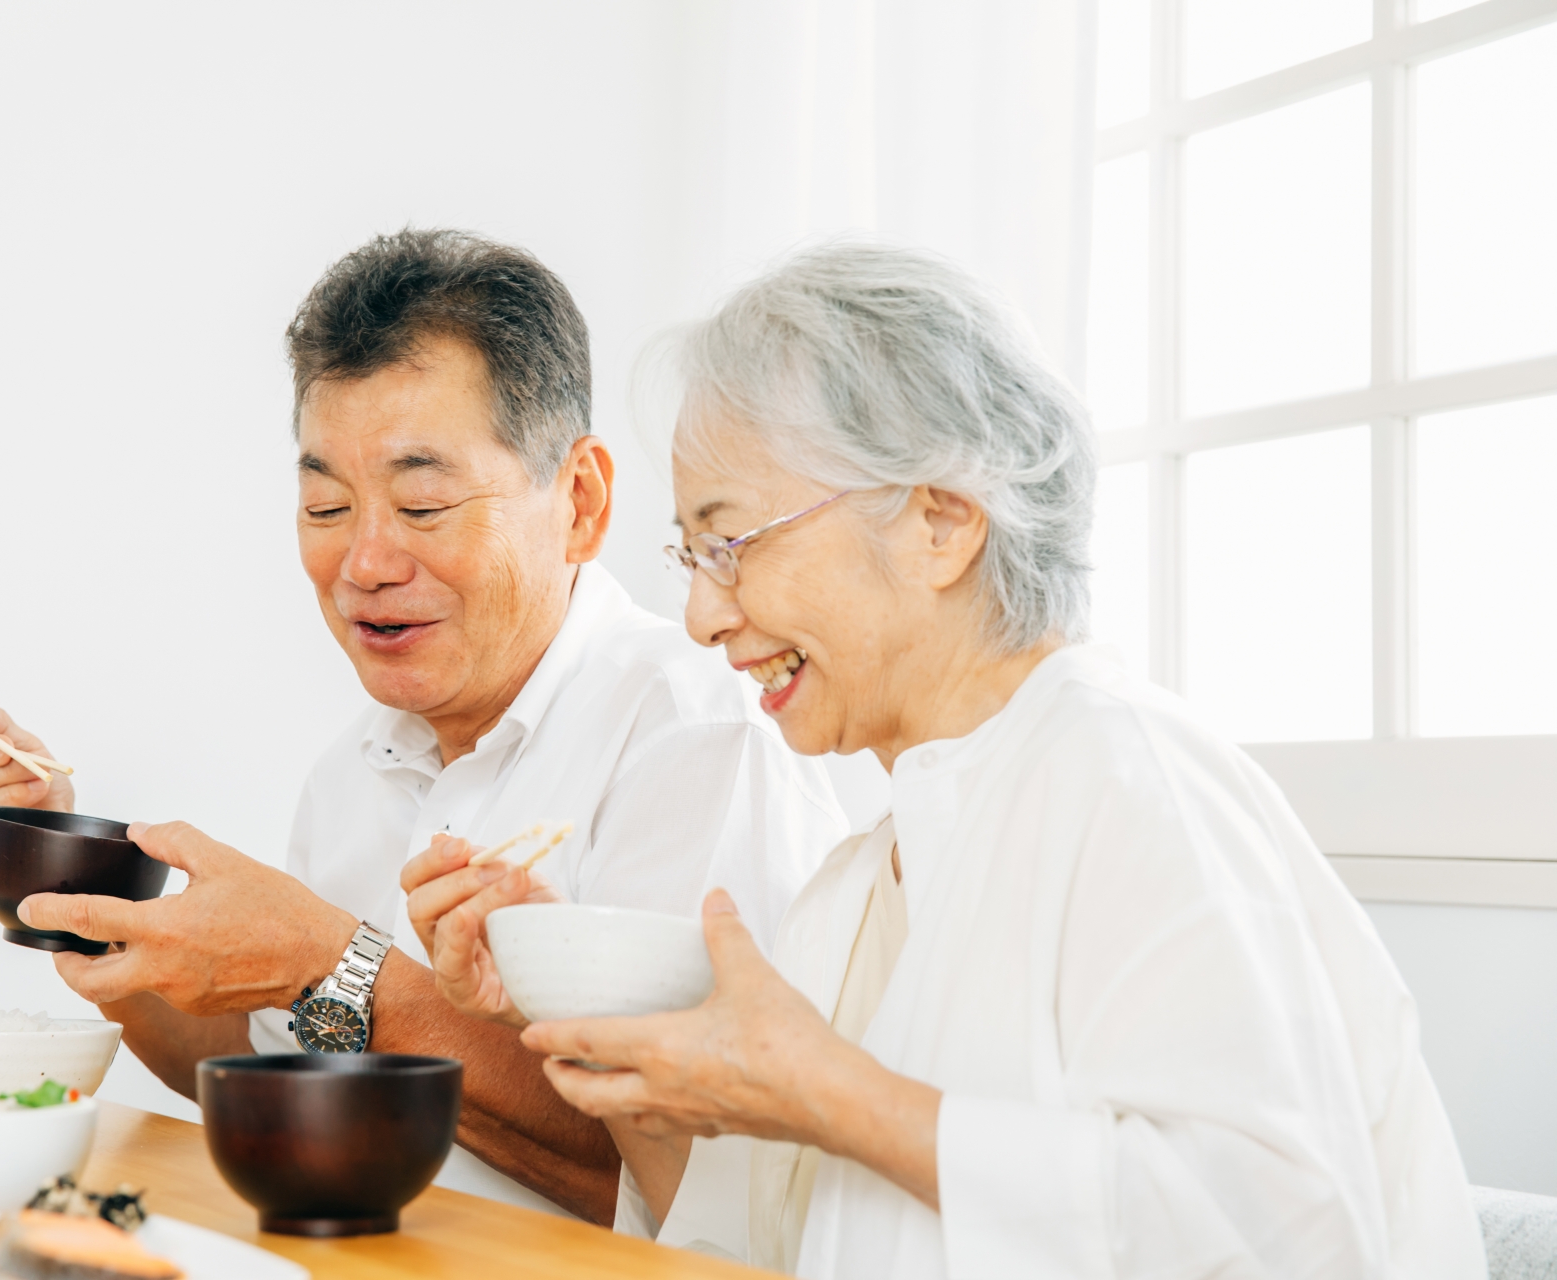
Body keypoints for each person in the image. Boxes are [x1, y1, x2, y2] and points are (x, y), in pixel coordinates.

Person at [405, 242, 1487, 1276]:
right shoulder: (858, 884)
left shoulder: (1129, 776)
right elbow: (751, 1249)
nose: (699, 613)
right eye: (692, 555)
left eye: (731, 541)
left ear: (940, 523)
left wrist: (829, 1089)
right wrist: (587, 1024)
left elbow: (1278, 1238)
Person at [0, 228, 847, 1225]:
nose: (364, 561)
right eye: (326, 505)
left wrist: (334, 958)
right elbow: (280, 1065)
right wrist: (71, 887)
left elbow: (709, 1188)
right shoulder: (357, 767)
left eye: (422, 500)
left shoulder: (695, 735)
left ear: (578, 501)